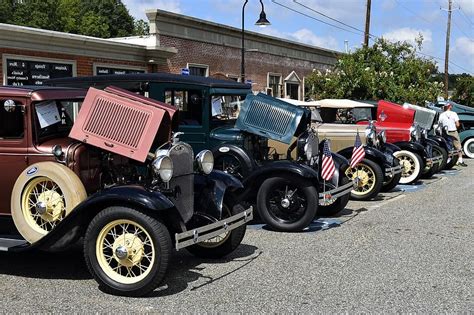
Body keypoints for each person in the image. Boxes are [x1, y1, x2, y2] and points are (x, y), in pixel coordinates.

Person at [438, 103, 467, 167]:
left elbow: (439, 124)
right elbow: (458, 124)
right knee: (458, 146)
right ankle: (460, 161)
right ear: (450, 107)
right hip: (453, 131)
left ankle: (447, 161)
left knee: (447, 146)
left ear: (445, 107)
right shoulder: (454, 113)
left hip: (445, 132)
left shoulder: (441, 115)